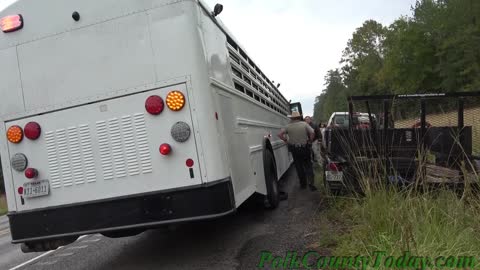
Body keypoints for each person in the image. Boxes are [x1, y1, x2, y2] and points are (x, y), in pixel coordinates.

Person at [278, 112, 317, 191]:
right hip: (304, 148)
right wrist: (310, 141)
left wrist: (286, 140)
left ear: (292, 118)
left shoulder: (288, 126)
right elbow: (312, 132)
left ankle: (303, 184)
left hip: (295, 149)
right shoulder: (304, 124)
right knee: (308, 165)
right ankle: (311, 184)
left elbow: (279, 134)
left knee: (299, 167)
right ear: (299, 117)